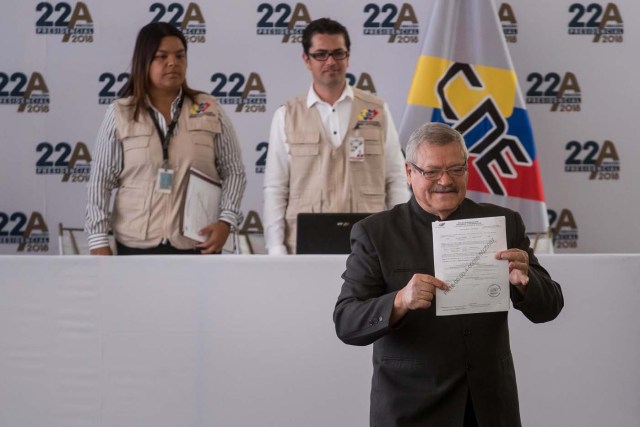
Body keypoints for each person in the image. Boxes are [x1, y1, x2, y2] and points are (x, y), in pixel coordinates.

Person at [333, 122, 564, 426]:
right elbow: (346, 321)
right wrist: (400, 301)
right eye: (431, 172)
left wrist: (526, 282)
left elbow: (550, 307)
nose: (445, 180)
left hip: (488, 409)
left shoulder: (503, 223)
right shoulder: (376, 233)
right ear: (409, 172)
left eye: (456, 169)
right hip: (410, 409)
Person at [86, 22, 246, 255]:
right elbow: (99, 182)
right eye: (162, 56)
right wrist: (98, 241)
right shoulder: (121, 113)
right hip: (135, 248)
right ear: (144, 62)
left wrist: (226, 221)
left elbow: (234, 171)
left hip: (198, 245)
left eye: (180, 55)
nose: (173, 62)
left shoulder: (208, 108)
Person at [263, 18, 410, 254]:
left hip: (369, 245)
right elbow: (275, 188)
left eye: (338, 53)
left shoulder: (377, 111)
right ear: (306, 59)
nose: (330, 61)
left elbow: (396, 178)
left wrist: (400, 237)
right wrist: (275, 247)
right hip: (304, 246)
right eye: (320, 54)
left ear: (348, 57)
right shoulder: (286, 115)